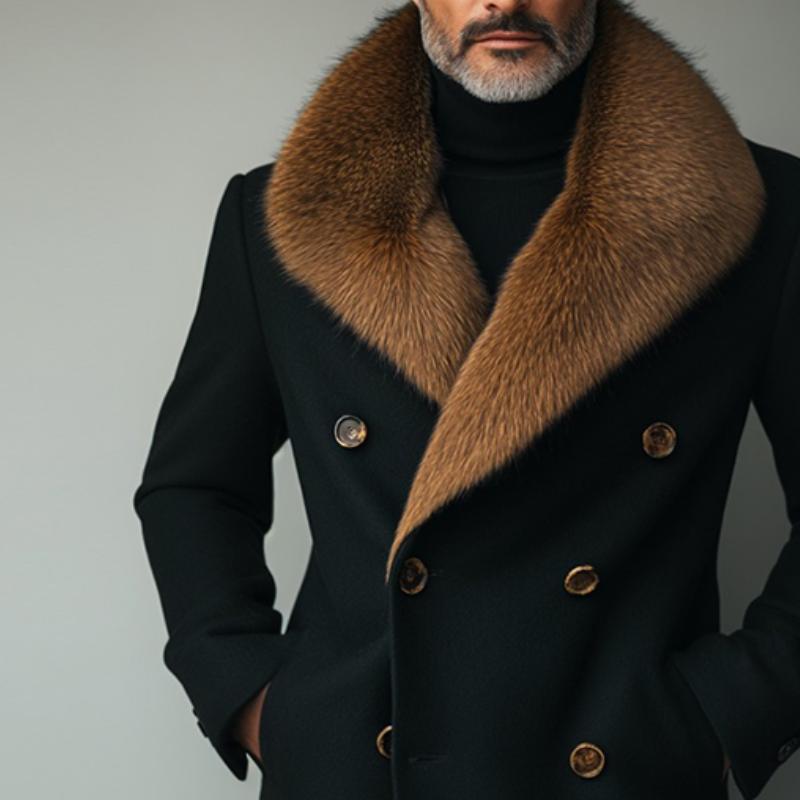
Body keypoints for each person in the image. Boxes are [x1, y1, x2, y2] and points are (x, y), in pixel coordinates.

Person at [132, 1, 800, 798]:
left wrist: (729, 713)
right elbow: (194, 486)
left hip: (620, 768)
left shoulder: (760, 207)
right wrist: (253, 698)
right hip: (361, 768)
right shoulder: (278, 216)